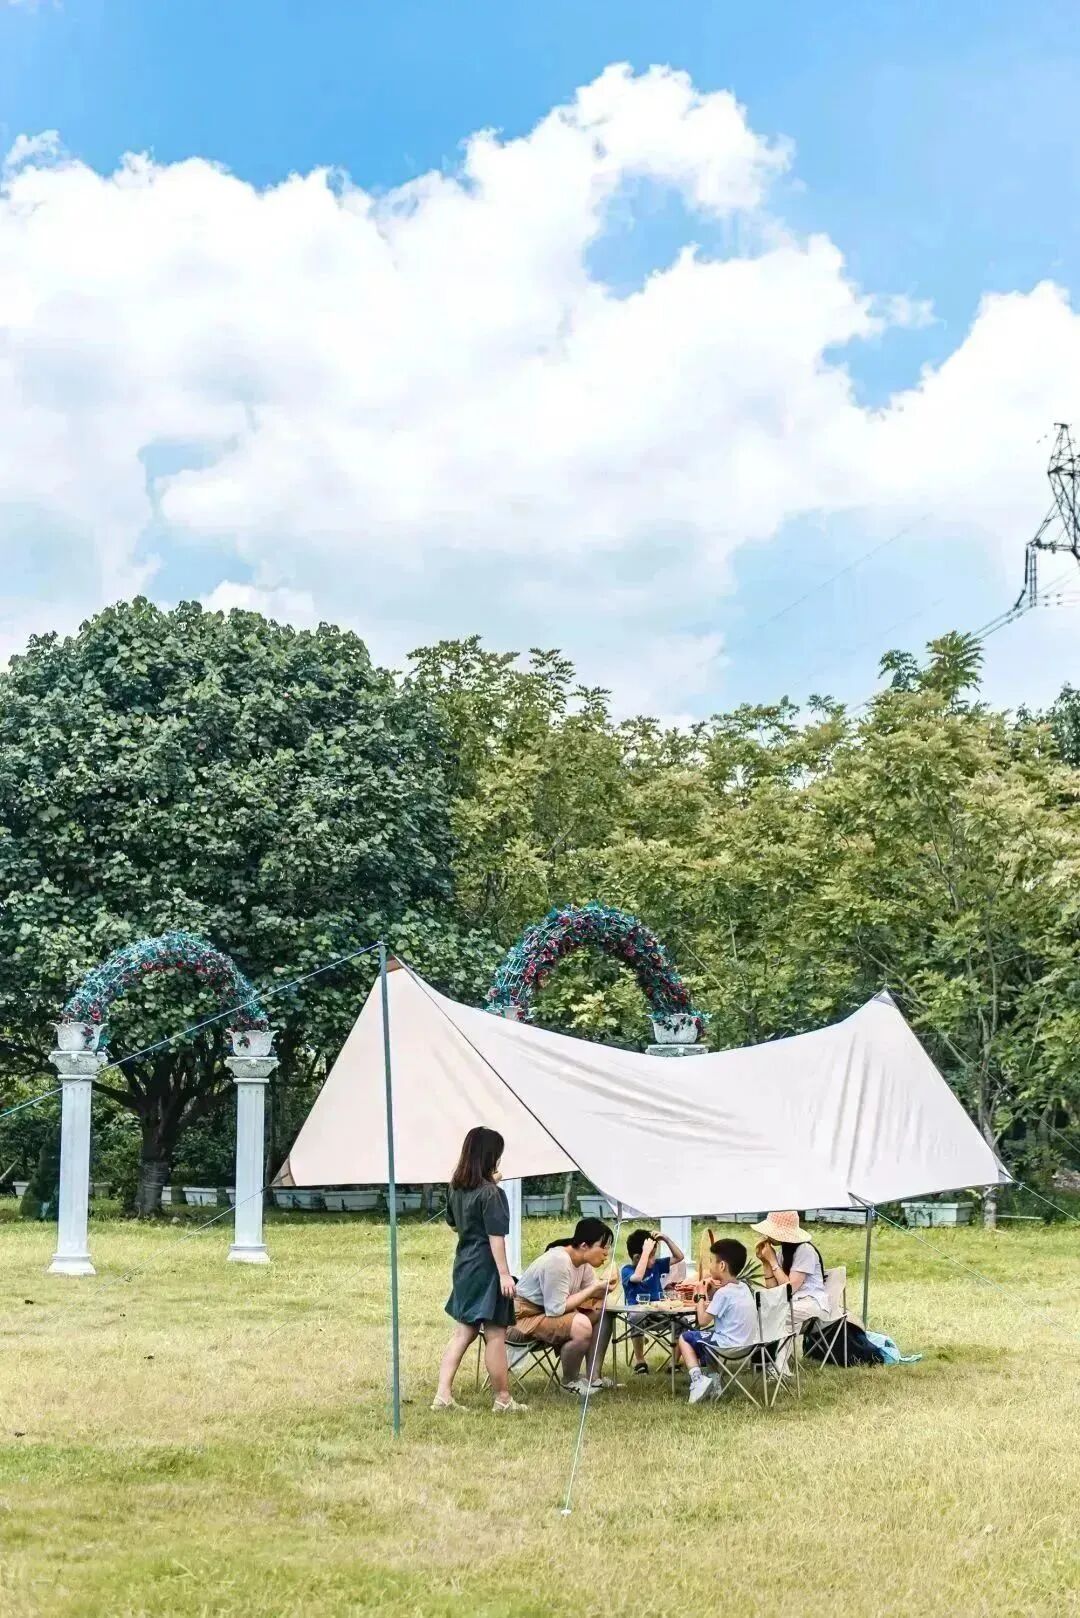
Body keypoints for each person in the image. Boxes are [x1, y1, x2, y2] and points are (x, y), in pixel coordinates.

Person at [433, 1126, 526, 1414]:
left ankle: (442, 1395)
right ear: (490, 1156)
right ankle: (503, 1398)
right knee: (495, 1333)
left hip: (464, 1265)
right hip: (487, 1268)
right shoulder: (492, 1194)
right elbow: (496, 1238)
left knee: (463, 1332)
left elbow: (454, 1224)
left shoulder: (456, 1188)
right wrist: (504, 1274)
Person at [510, 1218, 617, 1394]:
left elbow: (592, 1295)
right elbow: (556, 1309)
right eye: (603, 1247)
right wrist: (594, 1288)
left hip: (545, 1315)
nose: (607, 1253)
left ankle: (593, 1377)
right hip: (520, 1320)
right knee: (581, 1325)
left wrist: (605, 1286)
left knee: (603, 1308)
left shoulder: (582, 1263)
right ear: (584, 1245)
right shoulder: (558, 1261)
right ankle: (569, 1382)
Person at [676, 1237, 757, 1404]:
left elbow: (702, 1320)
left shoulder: (724, 1293)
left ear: (722, 1266)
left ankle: (697, 1380)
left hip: (728, 1346)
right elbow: (723, 1306)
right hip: (748, 1344)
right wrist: (711, 1291)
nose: (710, 1266)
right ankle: (714, 1384)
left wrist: (700, 1295)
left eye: (712, 1261)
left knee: (685, 1337)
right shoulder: (743, 1287)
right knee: (708, 1338)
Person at [753, 1210, 829, 1371]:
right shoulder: (783, 1252)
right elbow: (774, 1291)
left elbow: (789, 1289)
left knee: (777, 1314)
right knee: (781, 1316)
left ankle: (773, 1365)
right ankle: (779, 1368)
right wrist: (766, 1263)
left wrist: (773, 1261)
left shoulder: (805, 1250)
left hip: (811, 1302)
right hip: (793, 1304)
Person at [621, 1227, 686, 1374]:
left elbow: (679, 1257)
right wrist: (645, 1252)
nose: (653, 1259)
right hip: (640, 1316)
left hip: (660, 1313)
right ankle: (640, 1361)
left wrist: (666, 1239)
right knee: (636, 1316)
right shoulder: (627, 1270)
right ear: (637, 1257)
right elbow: (637, 1277)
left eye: (653, 1255)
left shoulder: (656, 1266)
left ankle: (674, 1363)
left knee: (682, 1321)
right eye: (651, 1255)